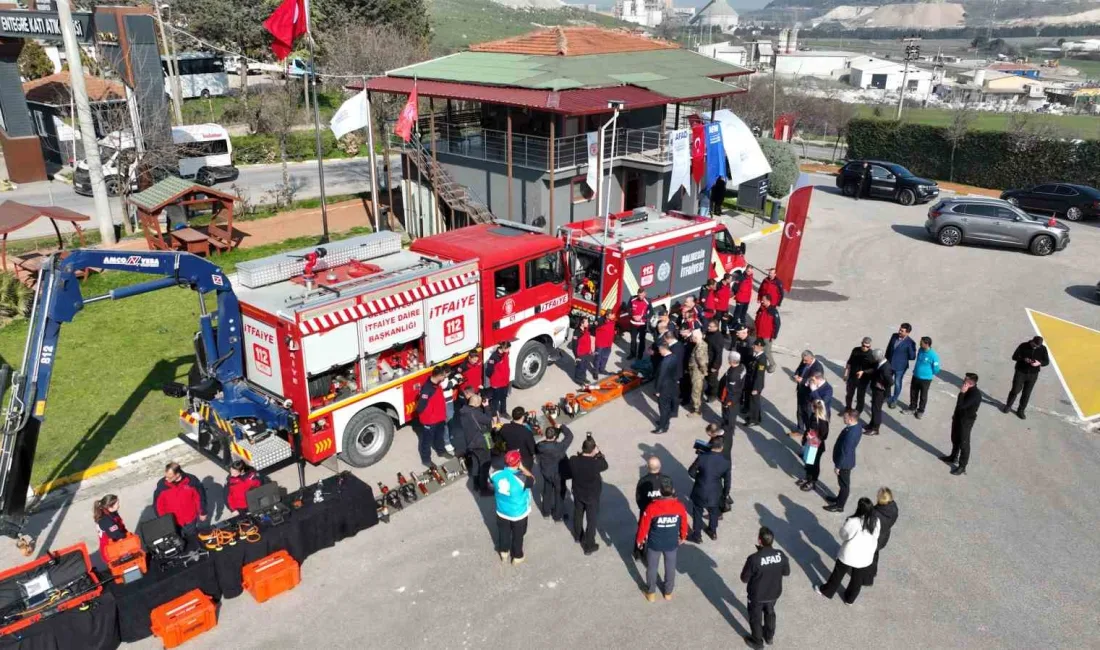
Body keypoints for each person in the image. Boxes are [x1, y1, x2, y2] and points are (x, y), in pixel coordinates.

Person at [814, 497, 881, 604]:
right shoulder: (876, 521)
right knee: (857, 579)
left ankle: (827, 591)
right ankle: (850, 599)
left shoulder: (853, 521)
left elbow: (844, 535)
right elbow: (876, 536)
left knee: (838, 574)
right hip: (866, 556)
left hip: (849, 555)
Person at [636, 476, 689, 602]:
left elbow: (644, 526)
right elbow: (684, 523)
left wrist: (640, 540)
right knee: (670, 567)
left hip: (655, 543)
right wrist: (683, 536)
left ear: (660, 491)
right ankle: (668, 592)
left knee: (652, 568)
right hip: (671, 543)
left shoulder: (652, 508)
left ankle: (651, 593)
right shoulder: (679, 507)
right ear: (673, 490)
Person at [741, 526, 791, 650]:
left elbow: (744, 579)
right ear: (772, 540)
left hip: (757, 595)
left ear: (759, 540)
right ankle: (769, 637)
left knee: (755, 618)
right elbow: (786, 572)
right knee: (770, 613)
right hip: (774, 593)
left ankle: (757, 642)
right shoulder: (780, 555)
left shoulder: (754, 559)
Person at [491, 450, 534, 565]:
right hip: (518, 512)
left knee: (503, 532)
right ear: (518, 462)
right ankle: (517, 556)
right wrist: (523, 468)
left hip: (502, 510)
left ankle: (504, 552)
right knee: (518, 535)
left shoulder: (495, 474)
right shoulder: (522, 478)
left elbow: (490, 484)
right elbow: (533, 479)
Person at [686, 436, 731, 542]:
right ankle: (712, 531)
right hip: (716, 492)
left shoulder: (702, 457)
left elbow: (691, 472)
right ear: (722, 447)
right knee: (714, 511)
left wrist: (700, 479)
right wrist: (725, 495)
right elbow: (727, 481)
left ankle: (697, 536)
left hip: (700, 490)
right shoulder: (726, 462)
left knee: (697, 512)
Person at [569, 435, 608, 555]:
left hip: (578, 493)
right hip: (592, 495)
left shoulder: (573, 460)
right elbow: (605, 465)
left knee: (578, 513)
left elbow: (578, 457)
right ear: (593, 450)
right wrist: (599, 452)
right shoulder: (596, 463)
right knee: (591, 520)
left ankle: (578, 536)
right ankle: (589, 545)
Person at [942, 372, 982, 476]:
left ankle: (962, 466)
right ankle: (953, 456)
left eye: (964, 381)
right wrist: (955, 416)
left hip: (966, 421)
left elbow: (961, 406)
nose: (962, 382)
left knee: (964, 443)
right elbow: (958, 408)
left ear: (970, 383)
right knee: (955, 438)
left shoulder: (975, 394)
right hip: (958, 418)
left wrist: (962, 393)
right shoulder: (968, 390)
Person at [455, 391, 494, 496]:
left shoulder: (464, 411)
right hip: (480, 443)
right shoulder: (476, 413)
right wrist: (486, 407)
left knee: (476, 463)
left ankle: (476, 484)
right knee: (485, 465)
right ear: (477, 404)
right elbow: (488, 420)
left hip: (470, 443)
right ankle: (484, 489)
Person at [1002, 335, 1050, 420]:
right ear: (1032, 341)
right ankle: (1008, 406)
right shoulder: (1023, 346)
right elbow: (1014, 357)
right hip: (1020, 372)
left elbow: (1046, 361)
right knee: (1015, 390)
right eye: (1035, 345)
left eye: (1038, 346)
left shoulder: (1043, 348)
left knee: (1027, 393)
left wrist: (1039, 363)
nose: (1036, 347)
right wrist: (1023, 359)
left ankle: (1021, 410)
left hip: (1033, 374)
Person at [535, 420, 574, 521]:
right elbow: (569, 436)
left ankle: (546, 512)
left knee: (547, 491)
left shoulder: (540, 446)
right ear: (554, 437)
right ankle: (557, 515)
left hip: (546, 473)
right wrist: (562, 426)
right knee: (559, 494)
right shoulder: (559, 447)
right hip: (558, 475)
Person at [154, 462, 208, 533]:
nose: (166, 479)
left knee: (192, 537)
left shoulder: (192, 481)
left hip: (190, 519)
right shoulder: (162, 485)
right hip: (172, 522)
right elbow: (158, 505)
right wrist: (163, 521)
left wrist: (202, 512)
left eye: (169, 477)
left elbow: (200, 497)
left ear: (177, 474)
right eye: (166, 476)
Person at [825, 409, 862, 512]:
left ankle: (839, 506)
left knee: (844, 485)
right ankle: (838, 499)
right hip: (846, 461)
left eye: (845, 418)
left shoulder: (851, 434)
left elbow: (846, 451)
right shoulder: (856, 425)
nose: (843, 419)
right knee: (842, 484)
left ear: (850, 419)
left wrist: (838, 466)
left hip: (844, 463)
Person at [414, 366, 452, 466]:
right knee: (426, 441)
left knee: (439, 436)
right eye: (443, 376)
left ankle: (441, 451)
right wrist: (424, 417)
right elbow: (421, 406)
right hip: (430, 420)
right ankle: (426, 460)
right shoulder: (427, 388)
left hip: (440, 417)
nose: (444, 378)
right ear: (438, 376)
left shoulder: (436, 384)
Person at [865, 487, 899, 587]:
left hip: (875, 538)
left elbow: (870, 527)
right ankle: (873, 572)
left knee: (869, 557)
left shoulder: (876, 514)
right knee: (875, 555)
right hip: (884, 537)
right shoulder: (893, 507)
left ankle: (868, 579)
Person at [905, 336, 941, 418]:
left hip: (926, 380)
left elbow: (936, 369)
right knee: (913, 393)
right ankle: (912, 408)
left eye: (921, 343)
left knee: (923, 396)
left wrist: (928, 374)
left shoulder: (933, 355)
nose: (920, 344)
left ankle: (920, 411)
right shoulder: (920, 350)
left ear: (927, 344)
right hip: (916, 376)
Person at [799, 399, 829, 493]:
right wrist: (805, 438)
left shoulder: (823, 421)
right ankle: (808, 477)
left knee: (814, 464)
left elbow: (824, 436)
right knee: (808, 462)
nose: (810, 407)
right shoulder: (813, 416)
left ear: (816, 408)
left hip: (816, 446)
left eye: (812, 406)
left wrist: (813, 436)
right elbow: (809, 428)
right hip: (810, 443)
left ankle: (813, 481)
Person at [792, 350, 824, 436]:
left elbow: (815, 381)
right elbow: (798, 369)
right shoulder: (804, 361)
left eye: (806, 360)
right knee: (799, 411)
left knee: (808, 413)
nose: (803, 362)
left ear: (811, 358)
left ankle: (810, 431)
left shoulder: (818, 367)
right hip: (801, 391)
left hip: (809, 394)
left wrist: (802, 380)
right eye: (803, 360)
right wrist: (796, 375)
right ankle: (800, 430)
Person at [885, 323, 916, 409]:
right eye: (900, 329)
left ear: (907, 333)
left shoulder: (910, 343)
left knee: (897, 383)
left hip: (900, 367)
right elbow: (889, 348)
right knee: (887, 380)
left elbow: (912, 357)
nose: (899, 331)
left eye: (902, 331)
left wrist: (909, 349)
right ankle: (887, 396)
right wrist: (885, 360)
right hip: (889, 363)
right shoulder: (894, 336)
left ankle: (894, 400)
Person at [706, 423, 734, 514]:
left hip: (718, 465)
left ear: (714, 433)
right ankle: (726, 495)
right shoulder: (727, 433)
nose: (709, 437)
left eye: (709, 435)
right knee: (727, 481)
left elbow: (712, 452)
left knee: (717, 486)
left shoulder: (717, 441)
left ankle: (721, 508)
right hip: (727, 462)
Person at [499, 406, 537, 471]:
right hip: (524, 460)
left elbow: (500, 439)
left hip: (510, 457)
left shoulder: (504, 427)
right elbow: (532, 449)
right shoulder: (526, 432)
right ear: (522, 417)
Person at [866, 349, 894, 436]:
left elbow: (891, 382)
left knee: (876, 410)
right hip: (876, 390)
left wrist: (881, 385)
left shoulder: (886, 368)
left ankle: (875, 429)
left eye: (874, 357)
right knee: (874, 407)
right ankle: (871, 425)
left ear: (878, 357)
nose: (873, 358)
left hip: (880, 392)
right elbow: (874, 370)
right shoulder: (880, 363)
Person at [843, 337, 875, 414]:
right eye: (863, 345)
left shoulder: (871, 355)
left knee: (860, 397)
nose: (865, 348)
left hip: (863, 379)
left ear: (870, 346)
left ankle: (857, 413)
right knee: (849, 394)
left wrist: (863, 372)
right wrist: (846, 374)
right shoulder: (855, 350)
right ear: (861, 344)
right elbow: (849, 361)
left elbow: (873, 369)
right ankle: (848, 408)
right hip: (852, 376)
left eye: (867, 346)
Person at [94, 494, 128, 563]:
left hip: (115, 547)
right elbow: (117, 537)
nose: (119, 505)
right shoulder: (106, 520)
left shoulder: (110, 513)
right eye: (117, 504)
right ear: (110, 507)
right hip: (111, 552)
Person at [653, 344, 678, 434]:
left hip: (664, 388)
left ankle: (662, 427)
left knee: (663, 407)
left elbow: (661, 377)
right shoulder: (674, 356)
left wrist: (657, 390)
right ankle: (665, 422)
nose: (659, 352)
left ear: (664, 350)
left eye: (660, 350)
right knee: (666, 407)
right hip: (671, 385)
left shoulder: (665, 362)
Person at [720, 351, 745, 438]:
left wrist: (726, 402)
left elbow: (730, 390)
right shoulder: (742, 367)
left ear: (731, 361)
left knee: (728, 414)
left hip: (731, 397)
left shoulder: (733, 374)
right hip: (737, 396)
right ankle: (730, 427)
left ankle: (727, 431)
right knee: (733, 414)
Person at [753, 294, 780, 373]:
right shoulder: (761, 308)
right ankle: (759, 363)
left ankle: (772, 364)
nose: (762, 301)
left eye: (763, 300)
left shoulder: (773, 311)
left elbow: (777, 324)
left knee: (767, 351)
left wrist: (774, 335)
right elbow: (757, 318)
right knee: (757, 349)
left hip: (767, 335)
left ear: (768, 301)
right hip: (759, 334)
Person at [743, 339, 767, 426]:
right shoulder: (757, 356)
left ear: (760, 347)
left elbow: (759, 375)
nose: (753, 347)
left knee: (754, 403)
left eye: (755, 346)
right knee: (753, 401)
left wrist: (756, 388)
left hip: (756, 385)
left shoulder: (762, 359)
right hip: (751, 382)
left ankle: (754, 420)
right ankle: (756, 417)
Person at [485, 341, 511, 418]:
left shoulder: (505, 353)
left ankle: (503, 412)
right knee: (495, 400)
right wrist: (494, 379)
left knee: (504, 398)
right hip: (497, 383)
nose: (509, 350)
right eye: (508, 348)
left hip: (505, 381)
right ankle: (494, 415)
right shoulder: (494, 357)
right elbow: (489, 371)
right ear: (503, 348)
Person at [704, 319, 728, 402]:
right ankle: (708, 391)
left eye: (711, 326)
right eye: (708, 326)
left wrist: (715, 366)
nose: (708, 328)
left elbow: (718, 354)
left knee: (712, 380)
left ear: (716, 327)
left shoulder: (718, 338)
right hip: (707, 360)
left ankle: (713, 395)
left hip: (713, 363)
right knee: (707, 378)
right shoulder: (709, 333)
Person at [688, 329, 709, 416]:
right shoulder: (703, 344)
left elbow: (701, 361)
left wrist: (704, 371)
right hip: (696, 370)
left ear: (695, 337)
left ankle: (697, 409)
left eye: (692, 337)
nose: (691, 338)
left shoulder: (699, 348)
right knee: (697, 389)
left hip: (697, 371)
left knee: (695, 390)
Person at [627, 289, 652, 360]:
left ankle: (640, 355)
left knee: (642, 340)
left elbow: (651, 313)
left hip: (642, 324)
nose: (640, 296)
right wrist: (632, 315)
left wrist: (642, 317)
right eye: (639, 295)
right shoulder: (632, 299)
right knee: (633, 340)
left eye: (642, 295)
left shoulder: (648, 301)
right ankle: (632, 354)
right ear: (637, 294)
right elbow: (628, 308)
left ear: (645, 294)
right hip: (633, 323)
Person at [573, 318, 596, 384]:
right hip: (580, 354)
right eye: (586, 322)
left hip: (587, 353)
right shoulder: (577, 332)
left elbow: (593, 328)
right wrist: (576, 356)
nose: (588, 323)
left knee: (584, 367)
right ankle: (578, 380)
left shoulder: (586, 328)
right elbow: (574, 346)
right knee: (580, 367)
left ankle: (583, 377)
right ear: (582, 324)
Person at [594, 311, 616, 376]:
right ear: (607, 316)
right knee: (597, 358)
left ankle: (602, 369)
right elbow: (593, 327)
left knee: (605, 358)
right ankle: (595, 372)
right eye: (612, 315)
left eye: (613, 314)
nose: (613, 316)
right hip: (600, 344)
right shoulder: (600, 322)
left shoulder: (613, 321)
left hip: (608, 344)